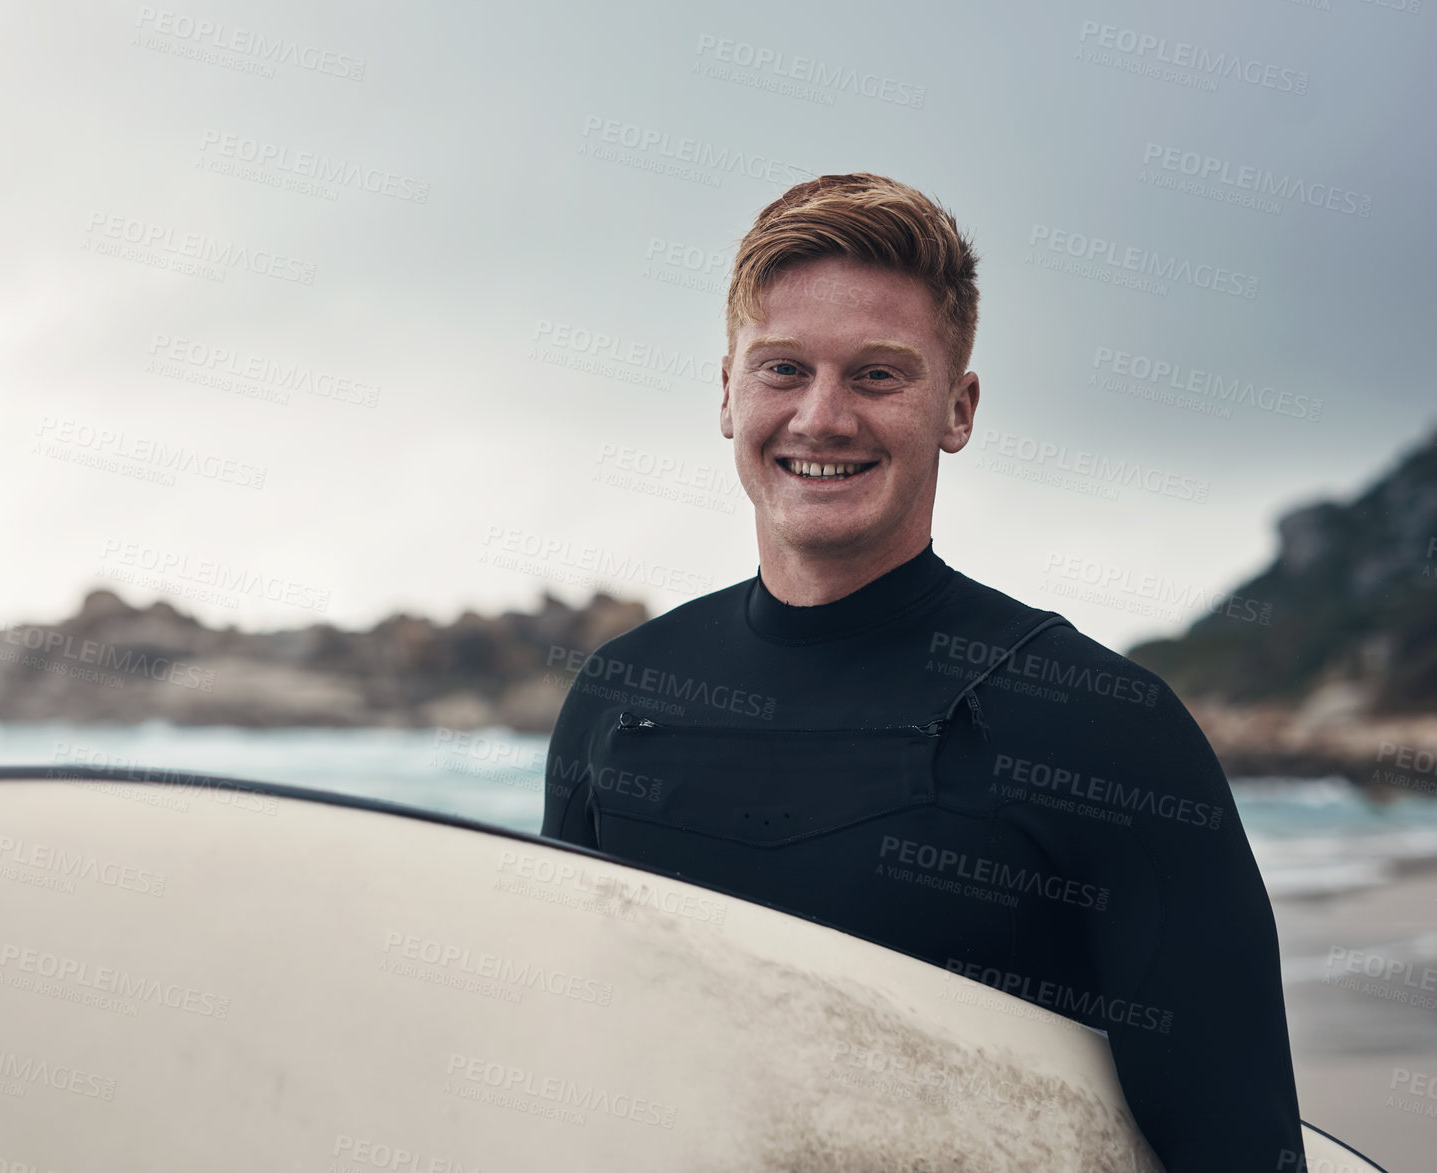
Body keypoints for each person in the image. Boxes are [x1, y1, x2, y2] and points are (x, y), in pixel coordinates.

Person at [541, 172, 1306, 1170]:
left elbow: (1237, 1147)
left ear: (958, 407)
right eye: (782, 370)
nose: (821, 418)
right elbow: (576, 1064)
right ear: (725, 394)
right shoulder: (618, 696)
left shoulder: (1102, 726)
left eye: (876, 375)